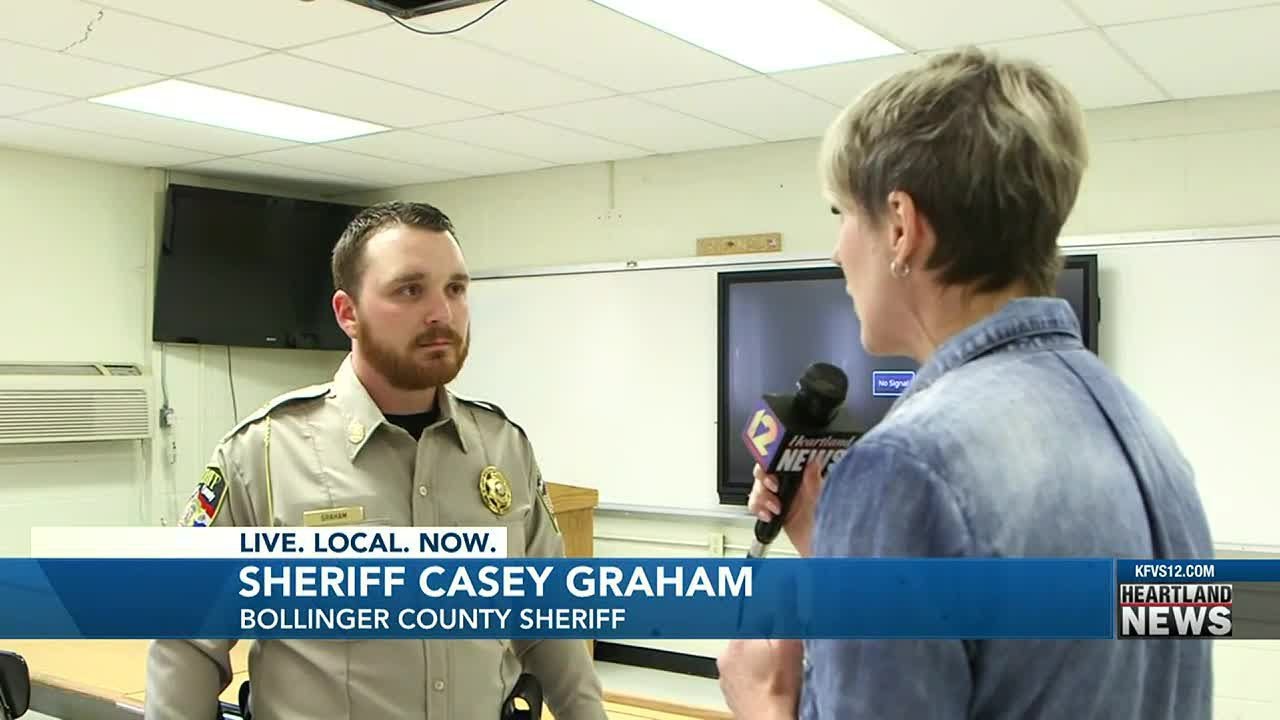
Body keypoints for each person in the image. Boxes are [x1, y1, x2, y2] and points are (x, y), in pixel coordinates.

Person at [717, 48, 1214, 720]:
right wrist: (827, 538)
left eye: (841, 214)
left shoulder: (907, 467)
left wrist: (762, 706)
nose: (836, 250)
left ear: (900, 226)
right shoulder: (1148, 440)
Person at [146, 201, 608, 720]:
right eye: (410, 290)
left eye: (455, 289)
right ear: (348, 313)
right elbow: (186, 642)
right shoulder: (264, 453)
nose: (442, 312)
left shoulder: (503, 447)